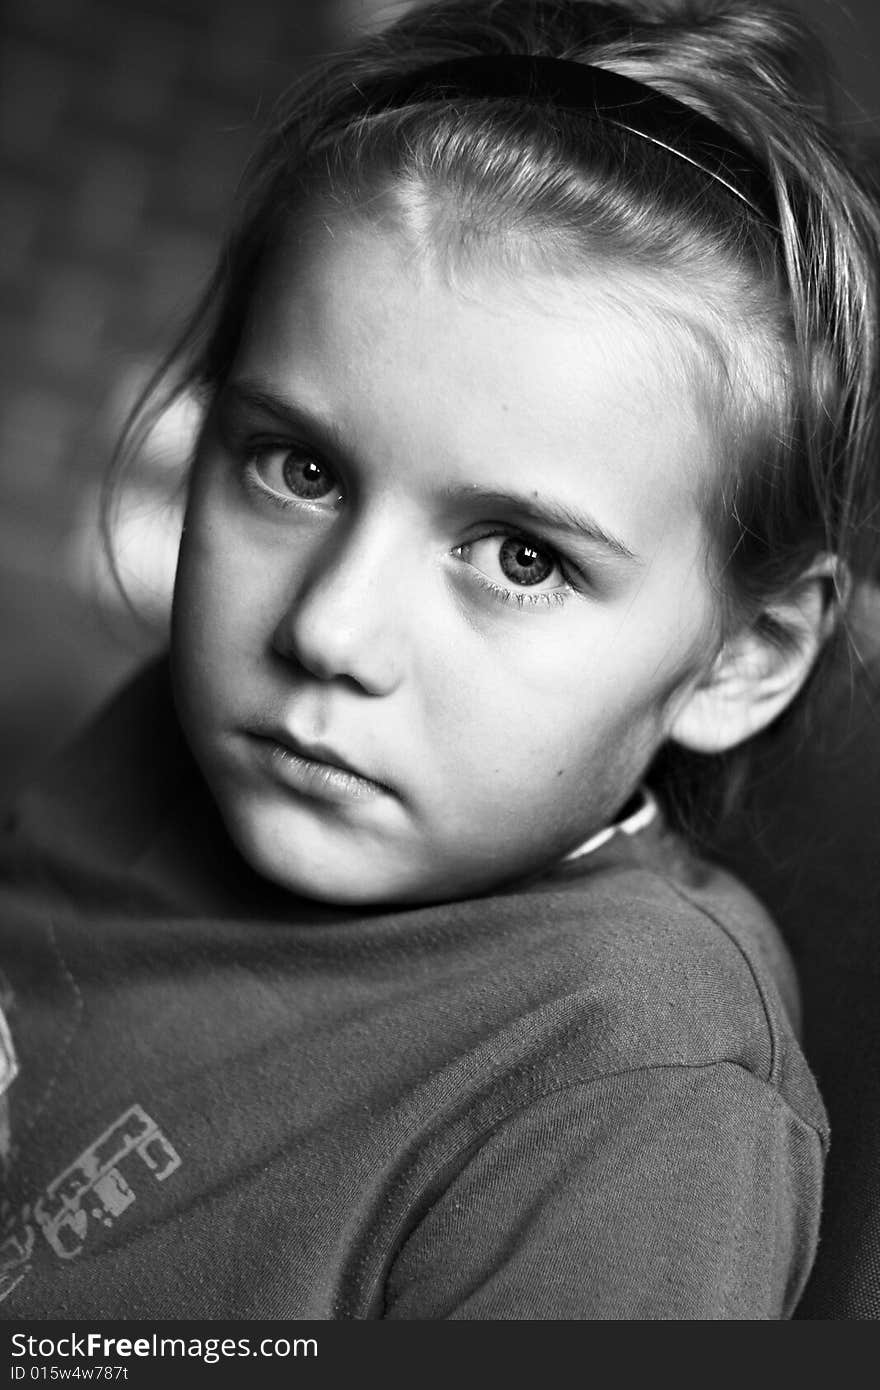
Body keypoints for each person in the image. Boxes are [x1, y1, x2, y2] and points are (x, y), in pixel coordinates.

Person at [1, 0, 878, 1320]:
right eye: (296, 470)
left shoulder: (633, 1097)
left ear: (740, 657)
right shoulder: (190, 740)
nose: (327, 630)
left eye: (521, 557)